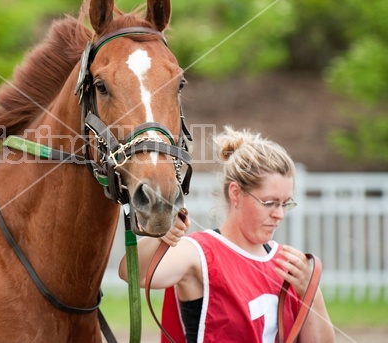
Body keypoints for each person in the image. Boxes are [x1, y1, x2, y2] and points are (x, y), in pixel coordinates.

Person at [118, 126, 335, 343]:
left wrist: (311, 294)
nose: (279, 214)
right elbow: (132, 272)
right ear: (236, 193)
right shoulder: (199, 252)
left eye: (285, 204)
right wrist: (161, 236)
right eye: (269, 203)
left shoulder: (289, 265)